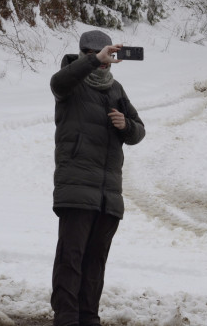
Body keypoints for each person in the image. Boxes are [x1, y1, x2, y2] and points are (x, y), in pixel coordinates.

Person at [49, 30, 146, 326]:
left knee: (95, 262)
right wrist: (92, 62)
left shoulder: (116, 89)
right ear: (86, 54)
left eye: (108, 57)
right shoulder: (70, 83)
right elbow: (58, 83)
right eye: (98, 55)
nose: (105, 62)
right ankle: (66, 318)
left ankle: (89, 318)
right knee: (71, 257)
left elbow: (139, 131)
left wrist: (125, 125)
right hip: (77, 188)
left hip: (108, 194)